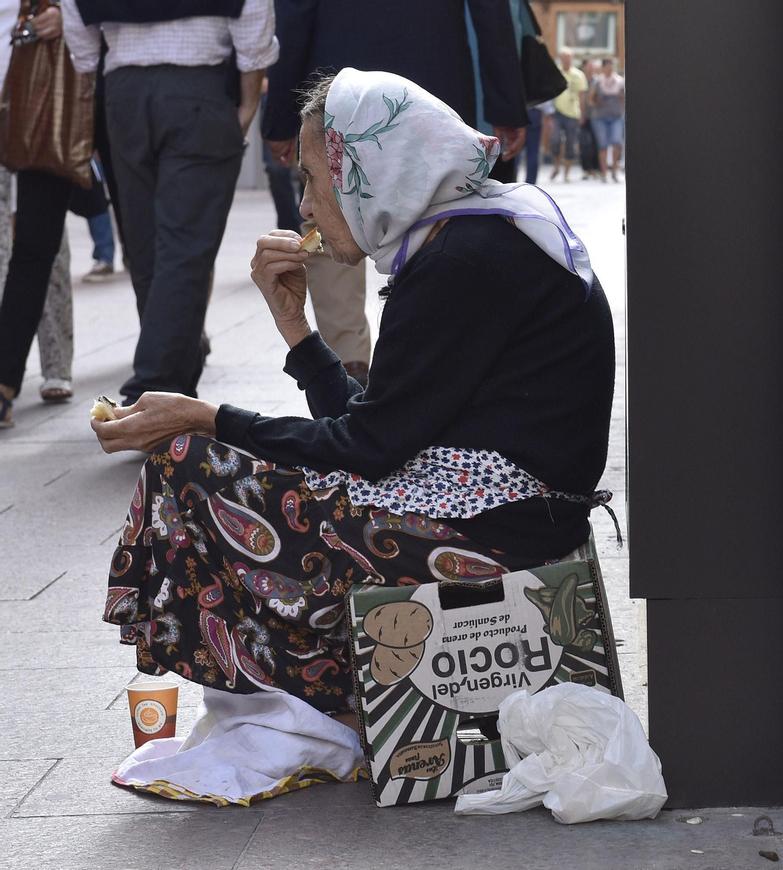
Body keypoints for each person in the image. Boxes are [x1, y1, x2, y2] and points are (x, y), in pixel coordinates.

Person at [91, 69, 615, 715]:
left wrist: (206, 417)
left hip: (492, 535)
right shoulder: (478, 229)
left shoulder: (461, 259)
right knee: (221, 461)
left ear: (373, 168)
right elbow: (378, 429)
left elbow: (367, 446)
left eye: (314, 178)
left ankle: (297, 706)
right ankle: (306, 698)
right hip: (493, 506)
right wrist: (295, 328)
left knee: (186, 466)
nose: (305, 206)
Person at [265, 0, 529, 383]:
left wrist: (278, 119)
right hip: (432, 79)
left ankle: (348, 365)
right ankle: (434, 363)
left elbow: (293, 17)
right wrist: (506, 102)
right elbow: (491, 11)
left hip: (336, 82)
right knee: (437, 218)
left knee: (330, 214)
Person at [59, 0, 278, 406]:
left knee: (145, 245)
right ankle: (153, 386)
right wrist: (247, 104)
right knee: (185, 247)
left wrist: (93, 86)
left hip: (123, 91)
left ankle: (171, 383)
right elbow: (254, 18)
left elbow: (79, 30)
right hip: (199, 87)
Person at [0, 0, 78, 425]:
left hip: (40, 106)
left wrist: (73, 19)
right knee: (27, 249)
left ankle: (55, 366)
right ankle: (6, 379)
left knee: (40, 244)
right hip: (24, 104)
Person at [550, 49, 587, 182]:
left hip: (572, 112)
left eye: (569, 57)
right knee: (555, 140)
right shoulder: (555, 72)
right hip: (556, 112)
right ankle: (556, 166)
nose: (566, 59)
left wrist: (582, 114)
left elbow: (582, 96)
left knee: (570, 142)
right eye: (564, 57)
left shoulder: (578, 75)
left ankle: (566, 173)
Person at [590, 58, 624, 183]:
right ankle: (604, 172)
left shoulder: (620, 82)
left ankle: (614, 170)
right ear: (603, 67)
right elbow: (591, 100)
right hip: (600, 117)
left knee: (616, 142)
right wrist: (597, 103)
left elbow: (623, 98)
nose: (610, 68)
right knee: (603, 145)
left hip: (616, 117)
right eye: (607, 65)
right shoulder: (597, 82)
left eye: (611, 65)